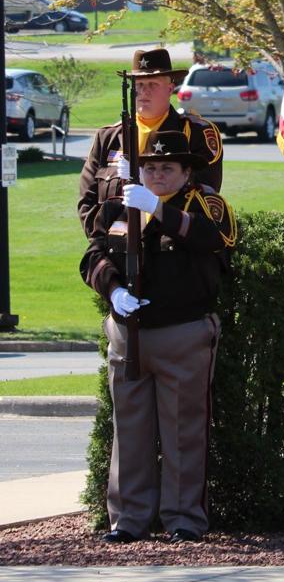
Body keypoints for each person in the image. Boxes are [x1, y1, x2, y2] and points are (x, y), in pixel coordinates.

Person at [80, 130, 237, 544]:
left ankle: (183, 518)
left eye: (167, 168)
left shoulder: (206, 204)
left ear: (187, 172)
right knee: (129, 430)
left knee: (183, 430)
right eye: (150, 168)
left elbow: (214, 239)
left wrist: (159, 210)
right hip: (128, 335)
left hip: (181, 333)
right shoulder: (119, 205)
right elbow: (93, 254)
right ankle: (128, 518)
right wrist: (112, 289)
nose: (157, 175)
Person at [79, 48, 222, 237]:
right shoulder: (109, 137)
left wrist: (146, 187)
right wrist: (104, 245)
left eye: (152, 84)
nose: (144, 91)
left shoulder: (196, 133)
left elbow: (204, 195)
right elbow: (87, 202)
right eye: (139, 84)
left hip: (170, 251)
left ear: (170, 89)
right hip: (117, 253)